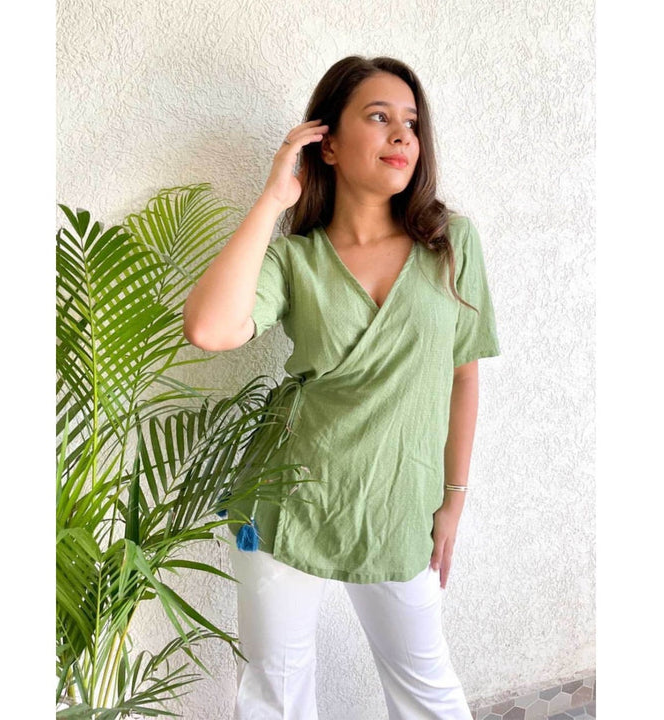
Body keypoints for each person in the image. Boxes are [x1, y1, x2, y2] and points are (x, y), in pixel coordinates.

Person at [183, 55, 500, 720]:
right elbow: (210, 328)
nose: (403, 134)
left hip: (397, 505)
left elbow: (463, 374)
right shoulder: (295, 259)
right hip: (284, 502)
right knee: (275, 694)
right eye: (379, 117)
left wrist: (454, 500)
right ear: (326, 143)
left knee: (428, 691)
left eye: (411, 122)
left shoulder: (451, 244)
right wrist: (273, 200)